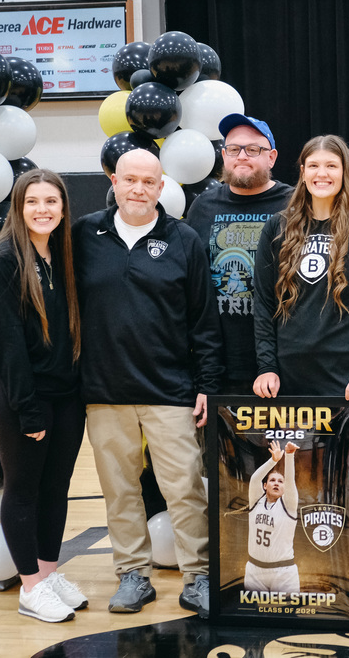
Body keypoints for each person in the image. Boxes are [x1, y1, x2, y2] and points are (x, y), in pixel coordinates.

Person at [72, 149, 225, 618]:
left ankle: (198, 575)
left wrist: (207, 383)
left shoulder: (182, 239)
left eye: (148, 182)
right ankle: (132, 575)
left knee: (184, 490)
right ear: (113, 181)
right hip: (104, 391)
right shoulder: (83, 235)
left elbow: (204, 319)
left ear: (162, 187)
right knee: (119, 491)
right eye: (130, 180)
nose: (138, 189)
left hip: (170, 390)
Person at [0, 169, 88, 623]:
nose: (43, 210)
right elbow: (7, 345)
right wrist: (27, 409)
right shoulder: (3, 260)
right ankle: (29, 588)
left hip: (66, 395)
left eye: (51, 201)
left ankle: (48, 572)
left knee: (55, 489)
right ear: (18, 209)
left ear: (63, 207)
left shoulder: (62, 255)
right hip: (25, 397)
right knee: (23, 491)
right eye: (33, 202)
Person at [252, 134, 349, 399]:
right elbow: (262, 302)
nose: (322, 173)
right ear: (303, 172)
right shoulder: (277, 226)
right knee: (297, 444)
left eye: (331, 165)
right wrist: (267, 367)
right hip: (289, 375)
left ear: (344, 172)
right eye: (314, 166)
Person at [186, 114, 293, 393]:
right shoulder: (203, 207)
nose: (241, 156)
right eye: (233, 149)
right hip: (220, 363)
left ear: (271, 157)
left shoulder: (295, 204)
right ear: (223, 155)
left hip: (284, 361)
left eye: (253, 149)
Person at [245, 440, 300, 592]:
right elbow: (255, 479)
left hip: (283, 571)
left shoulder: (288, 504)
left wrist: (289, 456)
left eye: (280, 481)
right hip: (254, 569)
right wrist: (273, 461)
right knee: (252, 614)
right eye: (272, 480)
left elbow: (290, 482)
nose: (276, 483)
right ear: (265, 486)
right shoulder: (256, 501)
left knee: (288, 614)